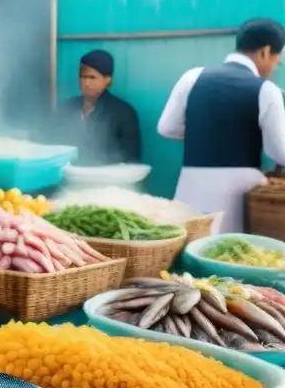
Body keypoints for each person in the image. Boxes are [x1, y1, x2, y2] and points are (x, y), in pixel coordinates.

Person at [157, 18, 285, 233]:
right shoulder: (266, 89)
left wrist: (205, 133)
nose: (273, 68)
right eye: (276, 61)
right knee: (226, 257)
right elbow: (280, 152)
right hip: (235, 199)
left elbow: (167, 128)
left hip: (190, 190)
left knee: (187, 254)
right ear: (265, 52)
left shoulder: (192, 77)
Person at [52, 50, 141, 165]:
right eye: (82, 77)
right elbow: (51, 142)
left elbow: (130, 155)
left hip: (104, 178)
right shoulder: (66, 108)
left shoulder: (124, 113)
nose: (86, 83)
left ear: (108, 80)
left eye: (92, 77)